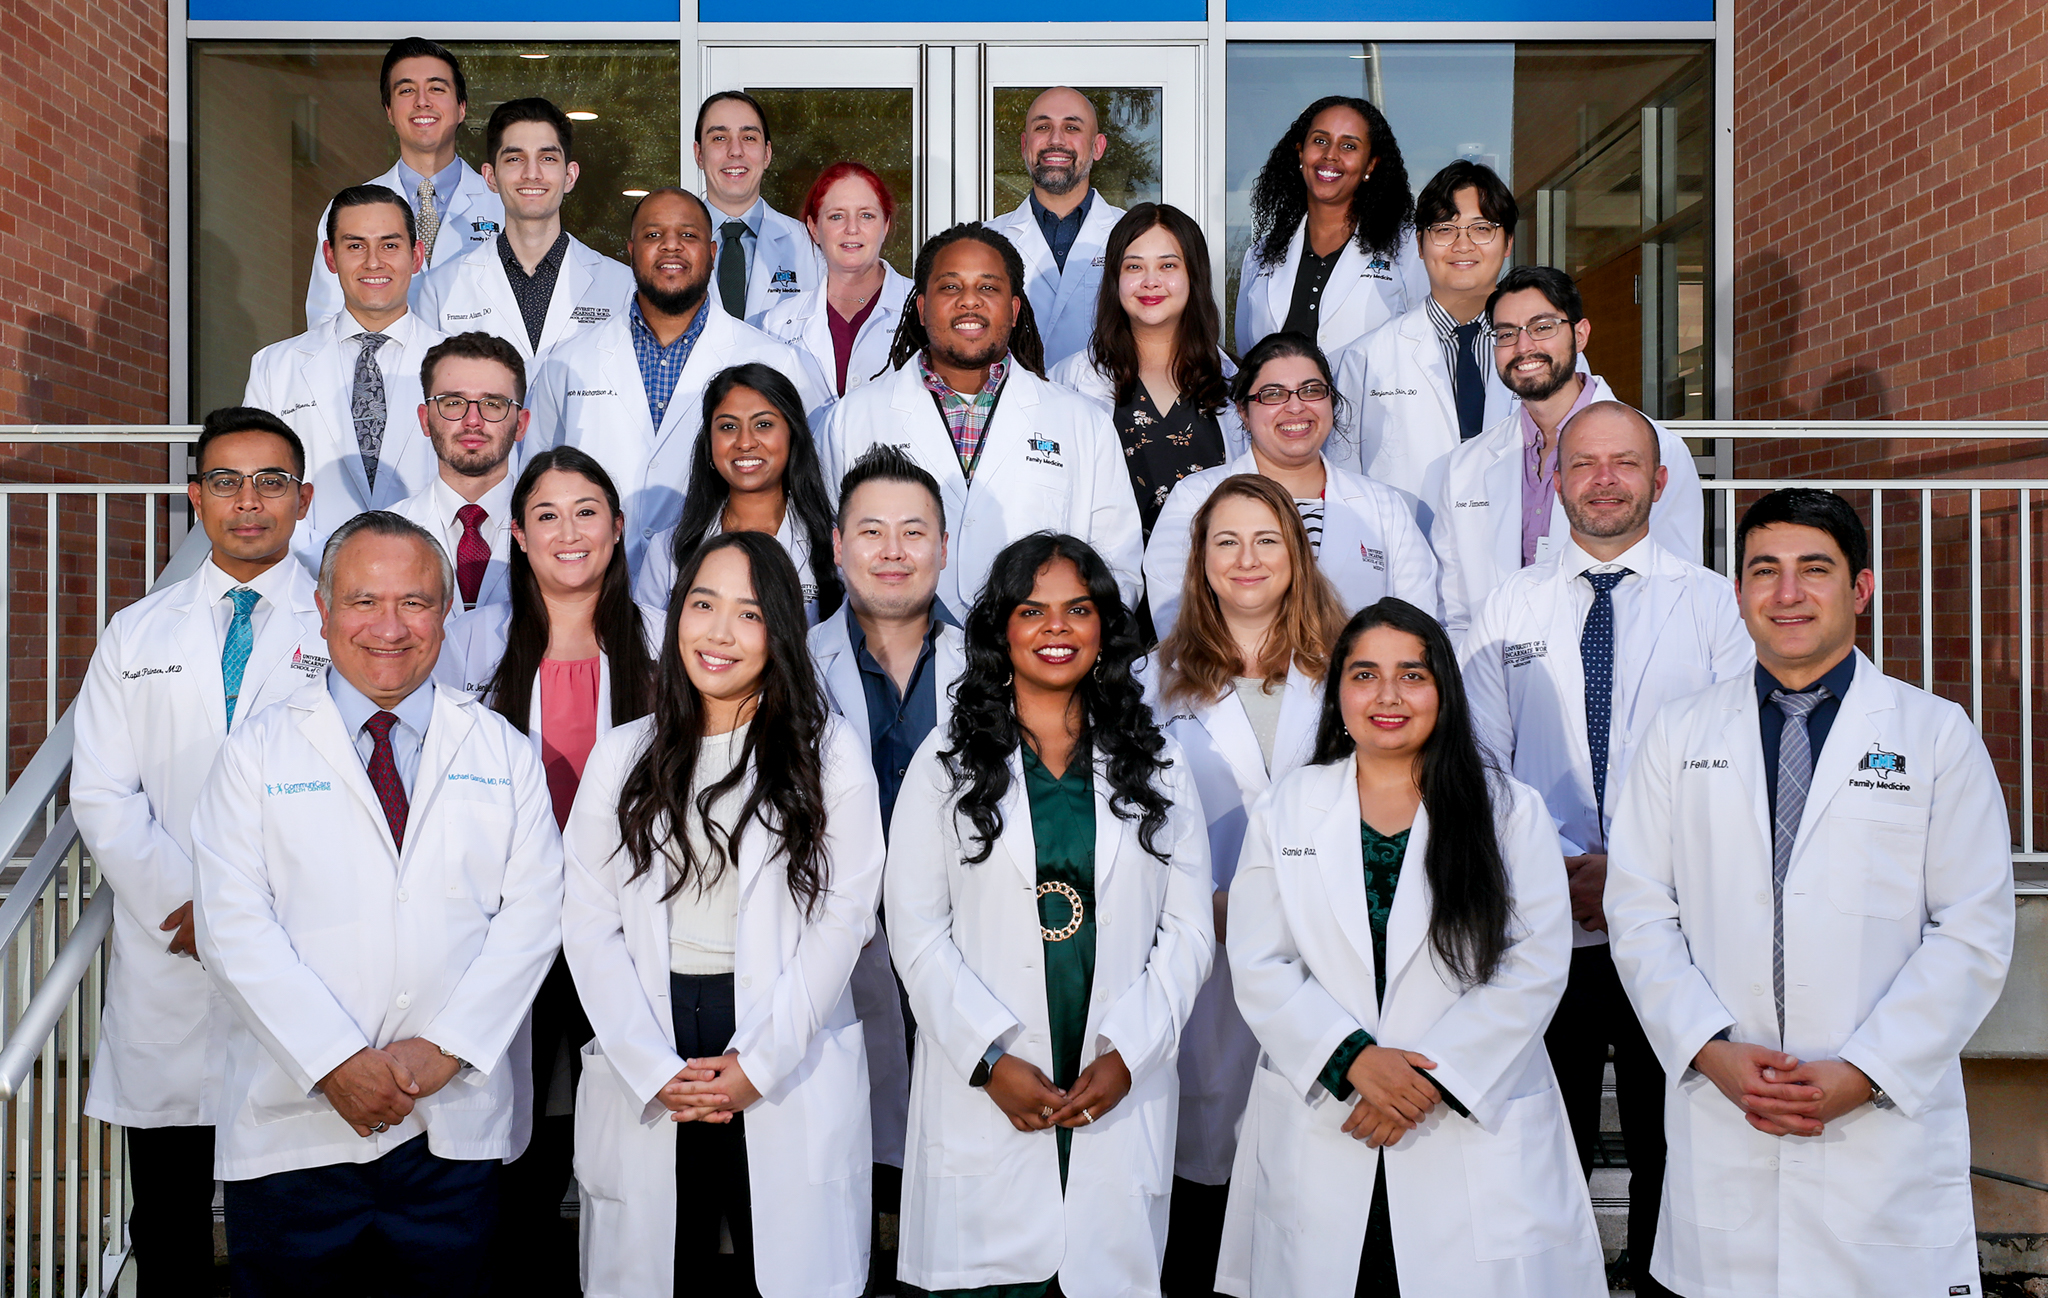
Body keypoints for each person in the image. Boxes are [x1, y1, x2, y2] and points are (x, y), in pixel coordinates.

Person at [1604, 488, 2015, 1298]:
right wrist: (1709, 1051)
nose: (1787, 593)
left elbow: (1972, 931)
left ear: (1860, 590)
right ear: (1739, 594)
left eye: (1814, 570)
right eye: (1765, 570)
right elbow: (1641, 912)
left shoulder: (1934, 735)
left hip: (1878, 1132)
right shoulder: (1679, 734)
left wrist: (1862, 1072)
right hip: (1728, 1113)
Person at [188, 510, 564, 1297]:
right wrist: (335, 1061)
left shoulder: (500, 749)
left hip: (452, 1132)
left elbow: (533, 919)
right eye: (363, 601)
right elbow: (233, 928)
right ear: (322, 612)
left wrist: (447, 1048)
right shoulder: (255, 752)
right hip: (295, 1131)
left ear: (446, 611)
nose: (389, 627)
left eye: (415, 602)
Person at [1216, 598, 1605, 1297]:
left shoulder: (1511, 811)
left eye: (1412, 675)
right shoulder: (1288, 807)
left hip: (1464, 1125)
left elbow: (1534, 966)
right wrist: (1353, 1060)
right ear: (1337, 694)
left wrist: (1429, 1079)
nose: (1388, 695)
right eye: (1364, 675)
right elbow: (1259, 962)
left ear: (1444, 692)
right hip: (1334, 1115)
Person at [1458, 402, 1752, 1298]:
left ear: (1660, 483)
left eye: (1626, 463)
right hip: (1545, 921)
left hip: (1672, 918)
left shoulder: (1711, 606)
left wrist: (1623, 869)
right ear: (1556, 482)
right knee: (1547, 1136)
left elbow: (1733, 754)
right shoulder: (1509, 605)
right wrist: (1559, 868)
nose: (1605, 479)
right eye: (1585, 464)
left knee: (1676, 1138)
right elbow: (1478, 756)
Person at [886, 533, 1214, 1296]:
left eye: (1078, 610)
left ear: (1105, 627)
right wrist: (989, 1059)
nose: (1057, 628)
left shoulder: (1158, 764)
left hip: (1114, 1075)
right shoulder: (946, 766)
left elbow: (1190, 931)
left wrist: (1132, 1050)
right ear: (1003, 629)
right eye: (1033, 611)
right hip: (991, 1089)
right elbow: (915, 933)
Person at [561, 531, 886, 1297]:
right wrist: (650, 1065)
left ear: (779, 631)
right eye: (703, 605)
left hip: (777, 1028)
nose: (718, 633)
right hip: (654, 1034)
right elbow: (588, 920)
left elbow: (846, 916)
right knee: (661, 1268)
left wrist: (762, 1064)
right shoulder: (624, 754)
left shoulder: (826, 751)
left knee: (782, 1266)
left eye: (747, 614)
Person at [71, 408, 325, 1298]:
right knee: (170, 1218)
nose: (247, 502)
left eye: (270, 482)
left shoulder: (341, 621)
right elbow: (102, 793)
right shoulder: (135, 631)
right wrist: (195, 906)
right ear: (194, 497)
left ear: (303, 499)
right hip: (170, 947)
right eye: (225, 481)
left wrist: (245, 918)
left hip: (300, 947)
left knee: (290, 1213)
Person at [432, 446, 659, 1295]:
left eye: (587, 511)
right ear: (518, 536)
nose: (569, 532)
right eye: (547, 516)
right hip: (508, 924)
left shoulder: (667, 637)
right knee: (513, 1131)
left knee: (619, 1116)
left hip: (627, 922)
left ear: (618, 526)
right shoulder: (468, 644)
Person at [1148, 472, 1345, 1298]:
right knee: (1206, 1179)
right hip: (1204, 966)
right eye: (1225, 541)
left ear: (1297, 556)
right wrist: (1208, 909)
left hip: (1328, 961)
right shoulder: (1143, 683)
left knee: (1312, 1181)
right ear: (1199, 561)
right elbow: (1136, 832)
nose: (1246, 558)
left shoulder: (1351, 673)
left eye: (1267, 540)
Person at [806, 444, 965, 1277]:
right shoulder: (793, 663)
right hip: (837, 950)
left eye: (915, 532)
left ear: (944, 545)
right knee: (847, 1164)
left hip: (963, 945)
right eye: (872, 531)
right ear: (836, 546)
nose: (894, 551)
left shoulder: (993, 668)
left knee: (953, 1164)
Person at [821, 223, 1145, 617]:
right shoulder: (853, 419)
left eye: (988, 288)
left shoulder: (1081, 423)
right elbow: (830, 555)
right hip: (899, 661)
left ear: (1013, 309)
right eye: (950, 287)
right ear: (922, 308)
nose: (969, 302)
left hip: (1036, 662)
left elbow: (1115, 568)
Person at [526, 187, 830, 571]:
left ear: (714, 253)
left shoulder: (775, 361)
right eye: (653, 235)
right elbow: (534, 484)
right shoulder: (568, 363)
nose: (671, 247)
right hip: (593, 585)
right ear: (631, 251)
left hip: (727, 591)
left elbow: (808, 485)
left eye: (689, 235)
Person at [1430, 265, 1704, 637]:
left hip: (1612, 673)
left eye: (1542, 328)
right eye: (1506, 333)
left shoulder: (1658, 448)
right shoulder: (1466, 466)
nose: (1524, 347)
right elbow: (1455, 612)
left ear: (1580, 334)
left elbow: (1676, 590)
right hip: (1494, 681)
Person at [1145, 332, 1438, 642]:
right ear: (1243, 411)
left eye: (1311, 391)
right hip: (1231, 684)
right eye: (1273, 394)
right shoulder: (1195, 498)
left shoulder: (1384, 506)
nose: (1296, 407)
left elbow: (1417, 622)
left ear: (1331, 402)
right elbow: (1175, 615)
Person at [248, 184, 445, 573]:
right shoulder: (275, 366)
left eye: (390, 246)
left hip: (427, 575)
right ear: (330, 256)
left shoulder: (458, 365)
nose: (374, 262)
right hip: (311, 575)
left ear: (417, 255)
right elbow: (259, 482)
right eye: (355, 246)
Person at [1048, 202, 1245, 542]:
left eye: (1168, 265)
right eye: (1134, 266)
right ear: (1115, 279)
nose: (1150, 281)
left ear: (1193, 275)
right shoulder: (1067, 381)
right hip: (1109, 583)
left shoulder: (1236, 381)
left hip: (1214, 581)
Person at [1333, 161, 1517, 507]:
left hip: (1521, 554)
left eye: (1481, 228)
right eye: (1445, 230)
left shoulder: (1545, 347)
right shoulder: (1368, 358)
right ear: (1420, 245)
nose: (1463, 245)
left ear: (1507, 242)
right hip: (1409, 552)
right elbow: (1345, 483)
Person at [417, 98, 634, 368]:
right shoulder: (441, 289)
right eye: (515, 158)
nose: (532, 174)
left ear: (569, 176)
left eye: (547, 158)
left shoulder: (622, 287)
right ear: (491, 177)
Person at [304, 39, 502, 326]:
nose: (422, 101)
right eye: (407, 90)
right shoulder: (347, 210)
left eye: (436, 88)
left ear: (461, 108)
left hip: (478, 369)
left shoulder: (503, 203)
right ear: (389, 111)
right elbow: (326, 320)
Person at [632, 362, 844, 625]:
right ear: (709, 445)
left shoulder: (836, 545)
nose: (745, 442)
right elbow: (648, 651)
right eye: (728, 427)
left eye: (763, 424)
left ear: (793, 437)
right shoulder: (668, 549)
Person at [1234, 96, 1427, 359]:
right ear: (1301, 152)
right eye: (1320, 140)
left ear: (1370, 165)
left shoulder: (1408, 250)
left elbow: (1424, 346)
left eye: (1349, 146)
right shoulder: (1261, 254)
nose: (1330, 155)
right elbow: (1249, 356)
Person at [983, 87, 1129, 368]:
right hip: (1013, 404)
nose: (1055, 139)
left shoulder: (1134, 235)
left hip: (1108, 404)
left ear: (1097, 147)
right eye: (1043, 126)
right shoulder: (986, 241)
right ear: (1025, 145)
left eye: (1071, 127)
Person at [387, 332, 528, 611]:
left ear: (521, 424)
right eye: (453, 403)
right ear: (425, 420)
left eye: (492, 404)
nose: (472, 421)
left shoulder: (555, 534)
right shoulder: (386, 534)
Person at [756, 161, 913, 398]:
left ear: (885, 225)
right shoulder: (778, 325)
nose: (852, 228)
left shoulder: (924, 310)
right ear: (814, 228)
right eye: (837, 216)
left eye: (867, 215)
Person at [695, 91, 823, 323]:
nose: (735, 151)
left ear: (767, 154)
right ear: (699, 154)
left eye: (749, 138)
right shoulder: (672, 246)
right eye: (719, 138)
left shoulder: (809, 247)